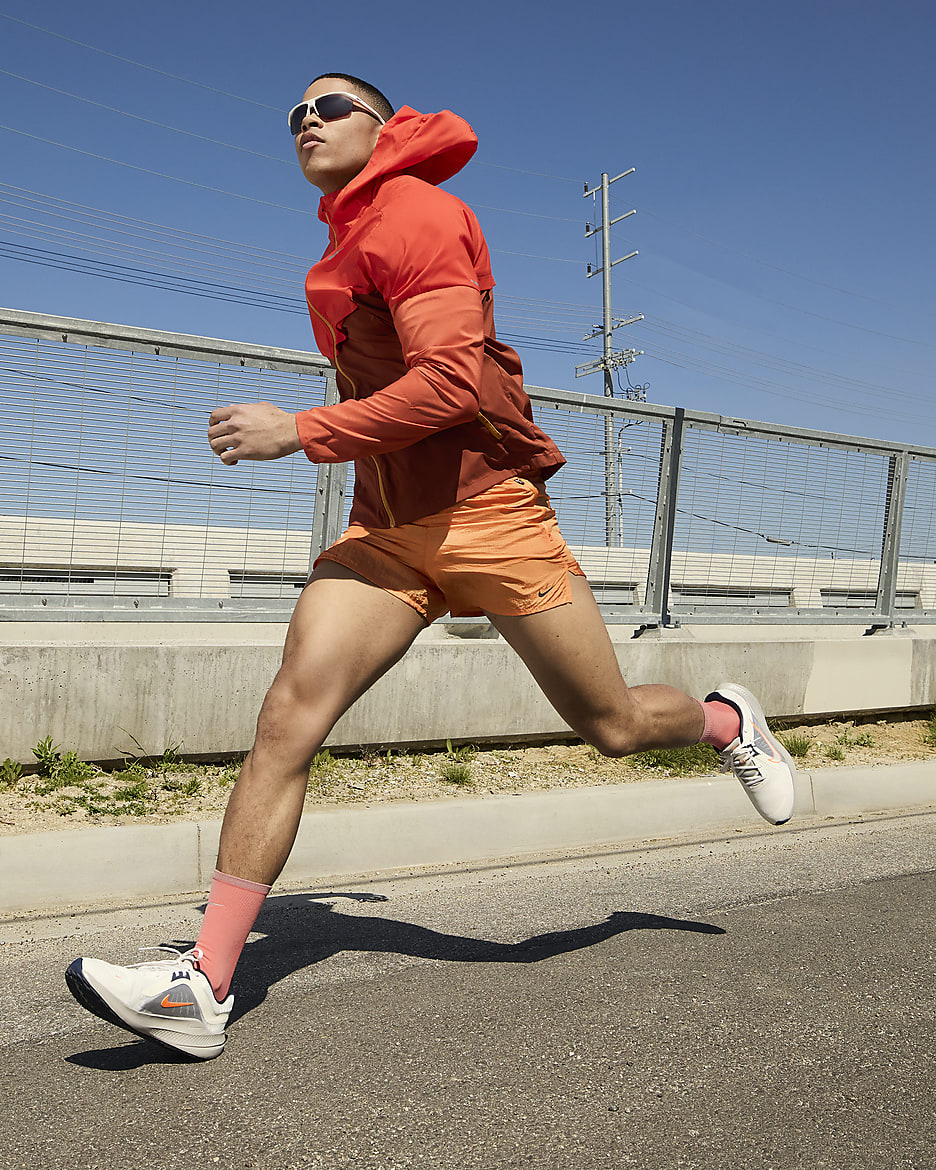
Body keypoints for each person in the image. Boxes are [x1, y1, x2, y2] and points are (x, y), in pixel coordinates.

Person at [65, 73, 796, 1060]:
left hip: (490, 520)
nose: (306, 124)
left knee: (613, 725)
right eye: (293, 117)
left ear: (385, 126)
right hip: (387, 532)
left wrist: (302, 430)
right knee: (289, 716)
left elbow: (452, 385)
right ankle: (203, 983)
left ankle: (724, 720)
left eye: (329, 108)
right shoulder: (346, 235)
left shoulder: (420, 214)